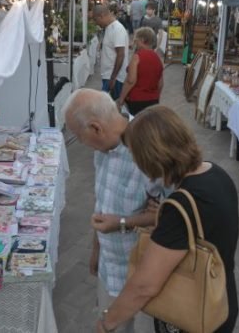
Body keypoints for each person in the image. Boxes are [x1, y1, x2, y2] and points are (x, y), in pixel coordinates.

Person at [96, 106, 239, 333]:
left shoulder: (181, 207)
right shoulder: (217, 174)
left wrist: (107, 321)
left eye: (136, 156)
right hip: (220, 298)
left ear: (151, 157)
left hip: (192, 312)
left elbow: (144, 285)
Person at [63, 88, 164, 333]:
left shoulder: (148, 152)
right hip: (110, 267)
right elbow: (102, 202)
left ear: (96, 128)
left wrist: (121, 222)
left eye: (79, 136)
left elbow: (166, 216)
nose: (83, 144)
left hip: (138, 275)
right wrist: (96, 248)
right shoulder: (104, 150)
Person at [116, 27, 164, 115]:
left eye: (136, 40)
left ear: (142, 40)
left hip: (137, 100)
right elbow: (160, 84)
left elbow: (130, 81)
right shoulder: (158, 58)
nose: (134, 43)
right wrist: (156, 97)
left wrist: (121, 99)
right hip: (153, 101)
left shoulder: (137, 57)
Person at [93, 4, 129, 99]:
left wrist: (113, 77)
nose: (96, 23)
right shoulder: (109, 28)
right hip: (109, 75)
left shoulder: (117, 29)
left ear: (102, 15)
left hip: (115, 77)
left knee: (110, 106)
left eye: (96, 19)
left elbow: (121, 54)